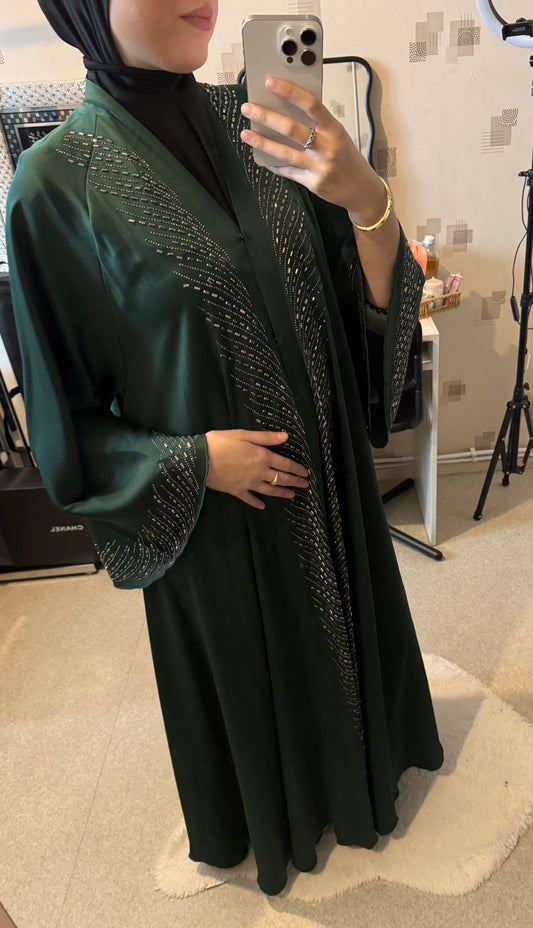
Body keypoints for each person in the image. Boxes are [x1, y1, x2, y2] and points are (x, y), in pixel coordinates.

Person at [6, 0, 444, 897]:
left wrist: (367, 198)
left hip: (329, 484)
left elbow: (358, 317)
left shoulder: (261, 122)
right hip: (219, 525)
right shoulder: (55, 187)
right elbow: (66, 425)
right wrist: (193, 463)